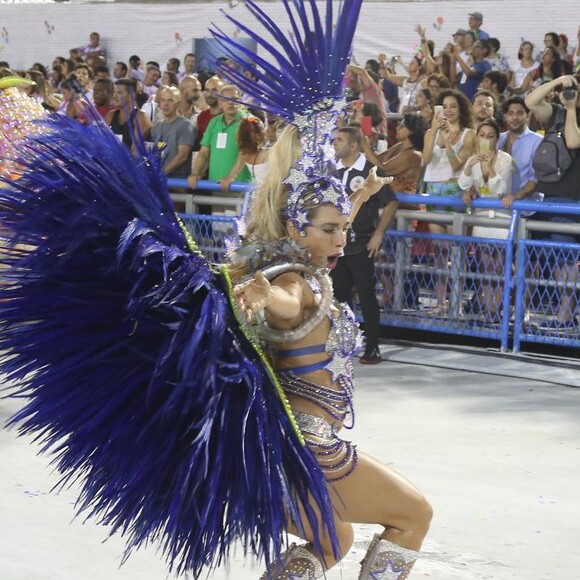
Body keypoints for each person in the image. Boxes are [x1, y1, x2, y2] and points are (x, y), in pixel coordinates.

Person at [330, 126, 398, 364]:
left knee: (367, 295)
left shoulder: (371, 171)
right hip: (336, 245)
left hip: (361, 243)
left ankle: (372, 346)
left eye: (340, 140)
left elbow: (390, 203)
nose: (335, 143)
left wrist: (378, 233)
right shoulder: (331, 171)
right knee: (339, 296)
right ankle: (345, 342)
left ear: (353, 145)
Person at [525, 75, 580, 331]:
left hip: (571, 200)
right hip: (548, 198)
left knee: (565, 260)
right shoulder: (555, 111)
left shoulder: (566, 114)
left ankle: (566, 317)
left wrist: (571, 110)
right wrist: (557, 82)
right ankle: (563, 313)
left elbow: (572, 141)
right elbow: (530, 100)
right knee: (553, 260)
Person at [422, 89, 475, 313]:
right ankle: (441, 301)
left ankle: (456, 302)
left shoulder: (469, 134)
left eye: (453, 106)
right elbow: (425, 160)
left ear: (461, 108)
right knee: (440, 252)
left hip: (455, 192)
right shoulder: (430, 132)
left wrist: (448, 141)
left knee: (457, 252)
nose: (449, 111)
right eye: (445, 106)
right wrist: (434, 131)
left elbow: (457, 165)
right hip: (434, 192)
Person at [459, 119, 514, 320]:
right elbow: (463, 184)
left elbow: (501, 189)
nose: (485, 139)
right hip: (481, 217)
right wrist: (469, 168)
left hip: (500, 218)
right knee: (485, 265)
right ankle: (489, 307)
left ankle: (497, 309)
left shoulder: (506, 159)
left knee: (498, 266)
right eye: (482, 135)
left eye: (490, 136)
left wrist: (489, 166)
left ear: (497, 139)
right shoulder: (472, 160)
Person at [151, 85, 195, 179]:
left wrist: (161, 173)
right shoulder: (157, 126)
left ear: (178, 103)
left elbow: (182, 156)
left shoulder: (185, 126)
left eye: (170, 100)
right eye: (163, 100)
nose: (165, 104)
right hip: (160, 181)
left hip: (178, 183)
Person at [219, 115, 269, 191]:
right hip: (270, 195)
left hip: (258, 195)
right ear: (260, 134)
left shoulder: (244, 154)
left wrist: (227, 179)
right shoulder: (269, 154)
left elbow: (231, 176)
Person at [105, 78, 151, 152]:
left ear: (132, 95)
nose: (114, 96)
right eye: (114, 92)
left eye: (119, 93)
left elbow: (135, 150)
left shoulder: (141, 117)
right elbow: (104, 142)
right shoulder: (111, 114)